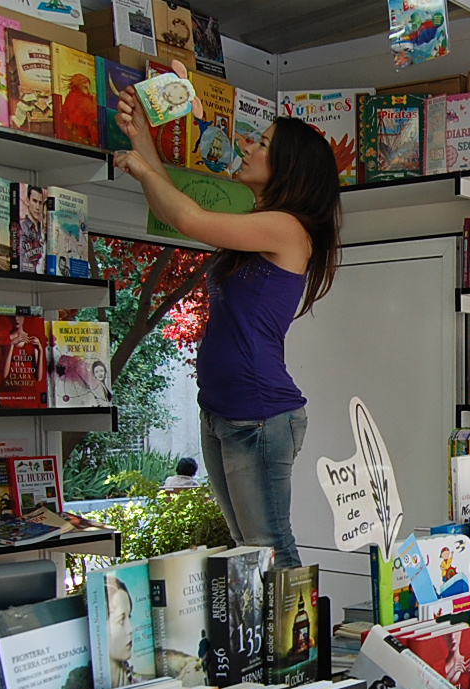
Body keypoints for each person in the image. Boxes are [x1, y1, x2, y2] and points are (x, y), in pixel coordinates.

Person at [115, 61, 341, 569]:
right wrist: (141, 134)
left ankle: (298, 647)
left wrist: (144, 164)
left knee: (268, 547)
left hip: (258, 415)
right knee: (248, 553)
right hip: (222, 411)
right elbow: (173, 198)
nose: (248, 147)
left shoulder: (286, 228)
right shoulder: (256, 222)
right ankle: (268, 647)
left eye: (261, 144)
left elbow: (187, 216)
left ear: (287, 166)